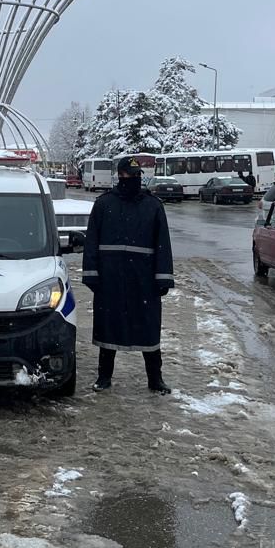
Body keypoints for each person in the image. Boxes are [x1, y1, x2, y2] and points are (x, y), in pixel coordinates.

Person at [82, 157, 174, 394]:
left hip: (143, 281)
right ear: (118, 176)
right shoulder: (103, 204)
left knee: (148, 329)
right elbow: (91, 241)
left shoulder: (153, 206)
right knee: (108, 328)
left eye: (135, 176)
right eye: (126, 176)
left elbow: (162, 243)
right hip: (110, 280)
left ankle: (155, 379)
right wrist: (91, 274)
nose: (131, 180)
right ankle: (104, 377)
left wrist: (163, 277)